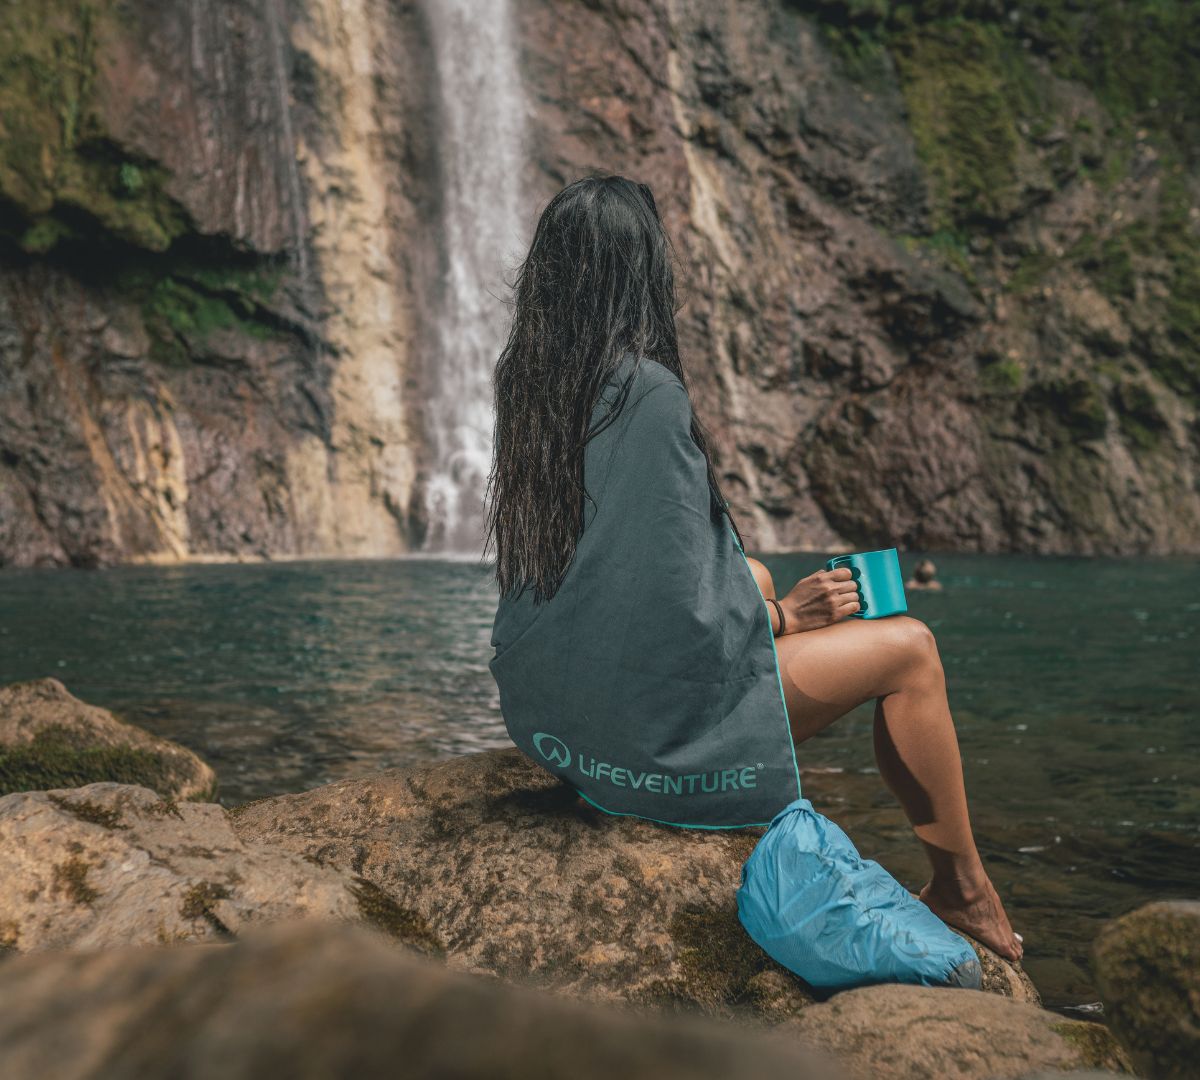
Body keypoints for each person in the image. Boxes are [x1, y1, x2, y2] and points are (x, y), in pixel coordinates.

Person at [483, 173, 1022, 964]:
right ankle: (965, 891)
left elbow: (603, 568)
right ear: (644, 273)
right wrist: (781, 620)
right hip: (643, 742)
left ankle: (768, 617)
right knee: (911, 651)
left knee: (760, 573)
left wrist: (766, 599)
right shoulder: (649, 391)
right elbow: (665, 607)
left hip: (555, 719)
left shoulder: (529, 380)